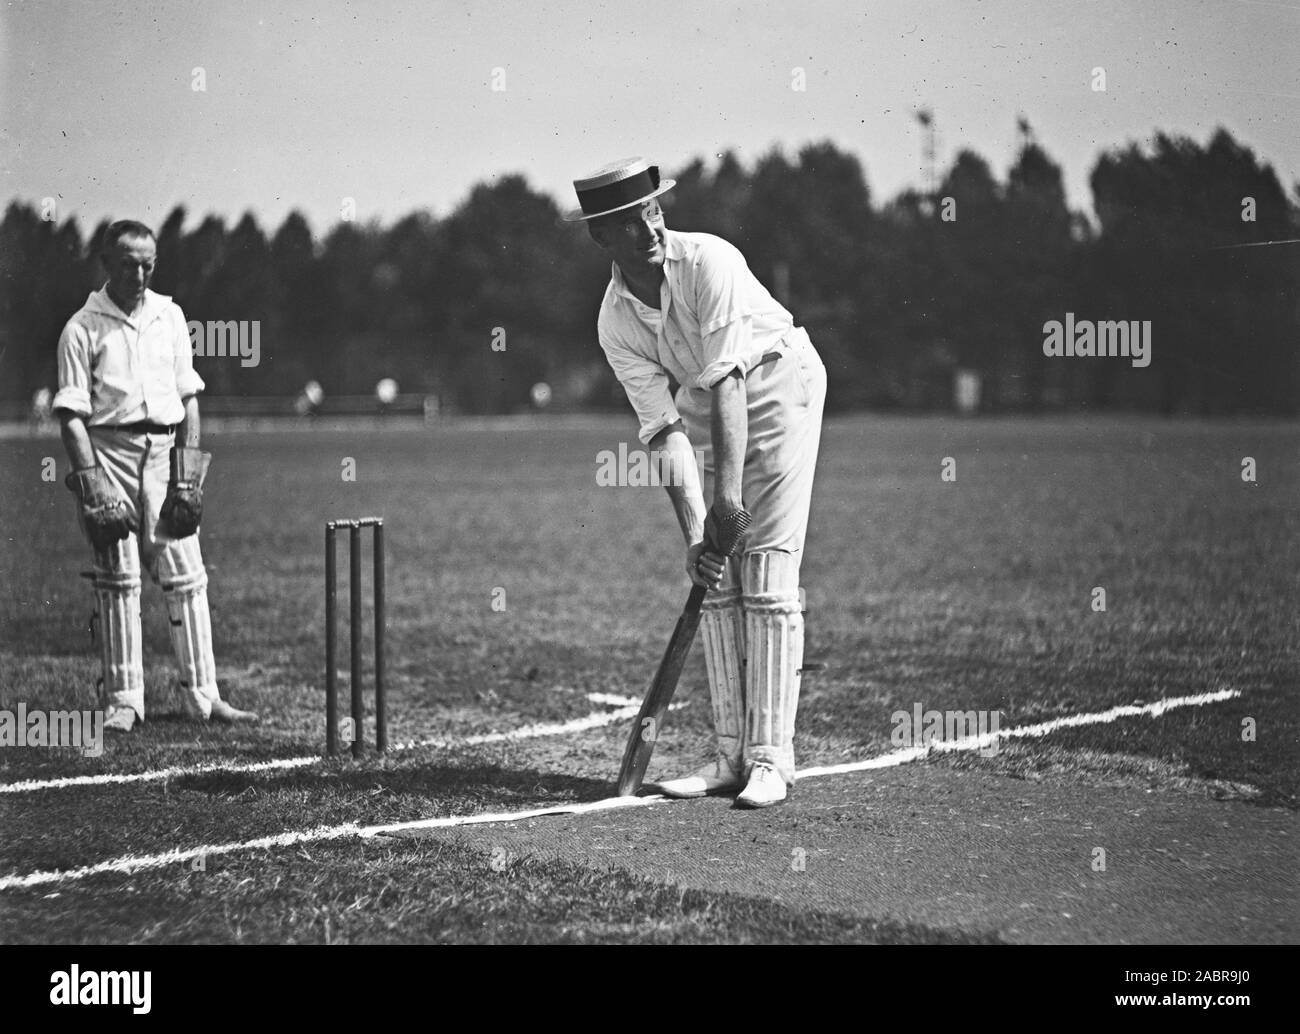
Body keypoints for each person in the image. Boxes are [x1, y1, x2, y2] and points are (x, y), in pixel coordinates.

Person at [569, 158, 826, 807]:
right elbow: (663, 431)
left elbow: (729, 384)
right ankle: (729, 754)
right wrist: (696, 536)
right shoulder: (615, 322)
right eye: (629, 223)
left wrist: (728, 499)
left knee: (765, 567)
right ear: (602, 239)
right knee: (714, 577)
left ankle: (771, 760)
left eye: (652, 212)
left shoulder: (709, 262)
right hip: (709, 409)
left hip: (777, 385)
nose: (648, 229)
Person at [53, 219, 258, 732]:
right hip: (111, 451)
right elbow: (72, 416)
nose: (139, 274)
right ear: (106, 264)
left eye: (148, 264)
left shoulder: (170, 316)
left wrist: (187, 475)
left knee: (187, 577)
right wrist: (92, 480)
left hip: (164, 454)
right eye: (128, 264)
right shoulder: (82, 326)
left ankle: (205, 698)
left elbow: (189, 399)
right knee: (119, 580)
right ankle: (125, 702)